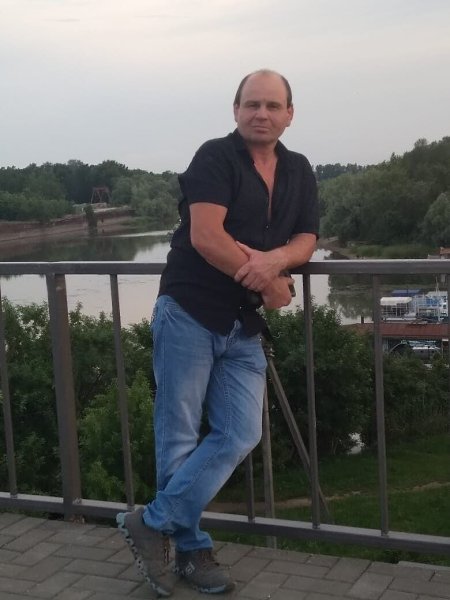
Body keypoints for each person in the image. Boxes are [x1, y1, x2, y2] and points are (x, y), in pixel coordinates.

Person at [116, 68, 319, 596]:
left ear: (289, 114)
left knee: (240, 431)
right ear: (236, 110)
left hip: (241, 323)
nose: (261, 114)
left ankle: (152, 522)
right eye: (252, 104)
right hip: (189, 310)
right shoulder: (215, 157)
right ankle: (190, 550)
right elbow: (207, 237)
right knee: (179, 436)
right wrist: (268, 282)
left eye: (272, 106)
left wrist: (277, 261)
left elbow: (307, 237)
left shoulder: (299, 169)